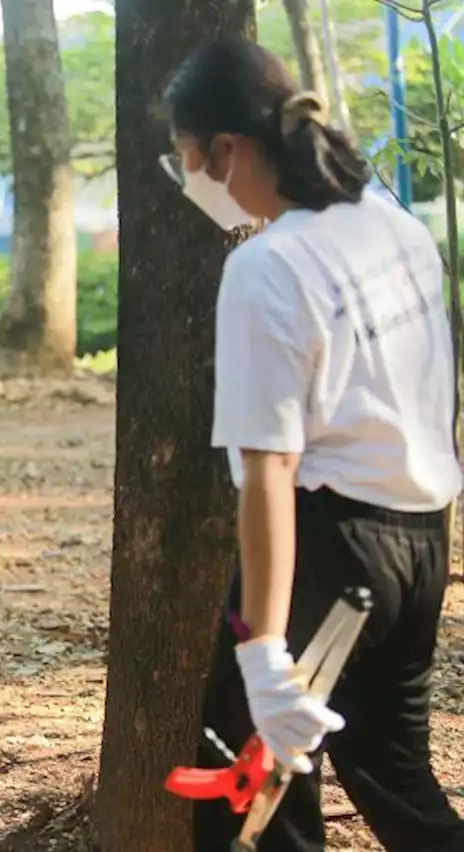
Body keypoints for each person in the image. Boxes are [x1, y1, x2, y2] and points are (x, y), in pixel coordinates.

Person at [161, 39, 464, 851]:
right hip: (423, 535)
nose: (190, 177)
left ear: (226, 149)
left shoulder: (269, 264)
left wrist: (261, 652)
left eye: (187, 157)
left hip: (334, 551)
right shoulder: (394, 226)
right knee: (392, 769)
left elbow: (269, 471)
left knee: (250, 805)